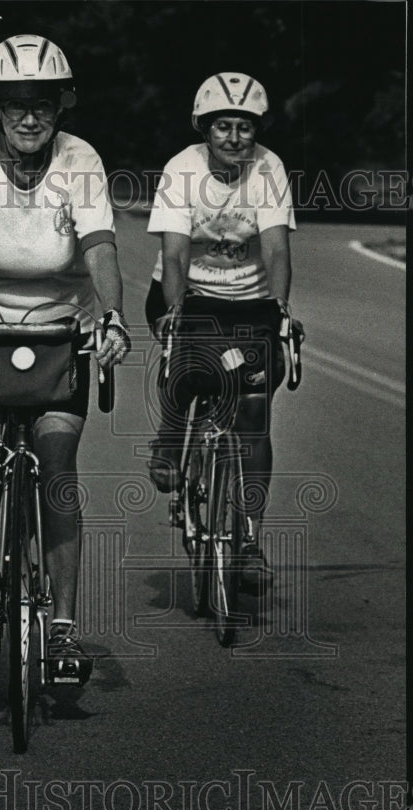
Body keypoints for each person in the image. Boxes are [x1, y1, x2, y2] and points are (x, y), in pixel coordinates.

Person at [0, 34, 130, 681]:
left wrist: (114, 315)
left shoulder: (80, 161)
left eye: (41, 103)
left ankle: (62, 631)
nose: (28, 116)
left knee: (58, 464)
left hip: (61, 326)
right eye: (13, 104)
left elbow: (98, 248)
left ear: (61, 106)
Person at [146, 72, 296, 591]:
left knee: (254, 412)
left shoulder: (269, 169)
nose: (234, 138)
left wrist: (278, 309)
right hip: (187, 291)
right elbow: (174, 252)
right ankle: (170, 438)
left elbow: (276, 248)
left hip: (250, 303)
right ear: (204, 129)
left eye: (245, 127)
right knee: (187, 365)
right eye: (222, 127)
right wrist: (177, 310)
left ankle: (249, 538)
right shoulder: (181, 170)